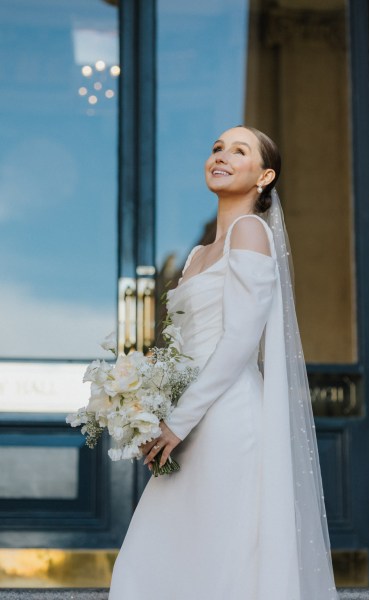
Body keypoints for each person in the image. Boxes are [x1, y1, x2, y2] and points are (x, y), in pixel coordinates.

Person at [108, 126, 339, 600]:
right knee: (162, 552)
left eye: (240, 151)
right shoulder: (197, 254)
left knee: (221, 551)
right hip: (188, 418)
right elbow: (181, 347)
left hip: (228, 418)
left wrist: (177, 421)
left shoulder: (250, 232)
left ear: (264, 176)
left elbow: (238, 342)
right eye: (216, 148)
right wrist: (148, 403)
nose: (222, 156)